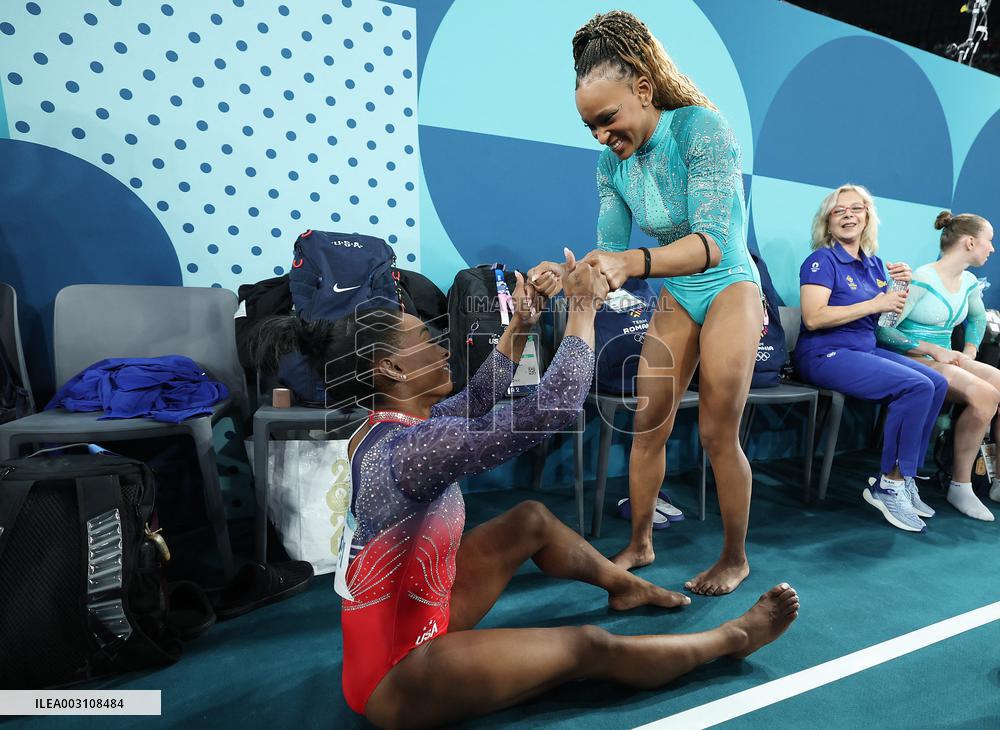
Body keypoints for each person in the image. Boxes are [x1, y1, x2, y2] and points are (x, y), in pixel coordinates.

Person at [255, 254, 800, 728]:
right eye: (426, 338)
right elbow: (557, 407)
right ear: (393, 365)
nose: (442, 344)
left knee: (530, 519)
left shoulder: (387, 427)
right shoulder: (413, 451)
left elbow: (481, 394)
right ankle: (734, 639)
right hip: (397, 677)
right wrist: (582, 310)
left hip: (414, 613)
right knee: (589, 647)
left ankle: (624, 586)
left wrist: (521, 323)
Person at [529, 10, 763, 595]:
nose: (603, 136)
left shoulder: (701, 128)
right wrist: (566, 275)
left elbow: (711, 244)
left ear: (641, 87)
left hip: (731, 282)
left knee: (716, 432)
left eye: (607, 120)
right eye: (591, 128)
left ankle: (735, 557)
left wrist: (630, 264)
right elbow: (608, 253)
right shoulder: (611, 164)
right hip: (676, 292)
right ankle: (639, 542)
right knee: (646, 424)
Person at [795, 184, 948, 532]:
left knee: (937, 382)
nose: (848, 215)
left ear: (867, 218)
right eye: (839, 210)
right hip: (824, 353)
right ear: (827, 221)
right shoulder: (821, 260)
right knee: (915, 386)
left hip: (863, 348)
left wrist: (900, 292)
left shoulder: (876, 263)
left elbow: (883, 323)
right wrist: (875, 303)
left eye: (856, 209)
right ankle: (888, 484)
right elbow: (813, 318)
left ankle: (905, 476)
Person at [876, 210, 998, 521]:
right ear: (970, 242)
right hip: (911, 359)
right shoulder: (920, 279)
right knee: (985, 395)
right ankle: (961, 484)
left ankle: (996, 479)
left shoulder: (969, 281)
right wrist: (931, 350)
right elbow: (884, 329)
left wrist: (970, 351)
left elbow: (978, 317)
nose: (992, 249)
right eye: (989, 241)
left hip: (946, 357)